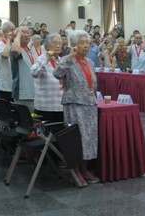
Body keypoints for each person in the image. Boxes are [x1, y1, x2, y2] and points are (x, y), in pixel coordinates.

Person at [53, 30, 99, 187]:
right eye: (82, 42)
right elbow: (57, 74)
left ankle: (85, 169)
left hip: (89, 104)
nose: (86, 45)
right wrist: (69, 57)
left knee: (88, 139)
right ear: (74, 45)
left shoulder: (90, 62)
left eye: (87, 42)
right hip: (74, 104)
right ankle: (76, 170)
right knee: (76, 138)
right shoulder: (67, 60)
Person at [30, 33, 64, 123]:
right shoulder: (42, 59)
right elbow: (34, 73)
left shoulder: (61, 60)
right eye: (55, 43)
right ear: (47, 45)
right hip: (45, 106)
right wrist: (47, 59)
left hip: (60, 106)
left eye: (60, 43)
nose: (58, 45)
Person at [11, 26, 36, 111]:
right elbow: (15, 50)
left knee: (33, 116)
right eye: (23, 32)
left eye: (27, 32)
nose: (26, 35)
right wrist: (18, 35)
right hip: (23, 92)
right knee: (25, 117)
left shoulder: (29, 50)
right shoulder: (17, 48)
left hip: (32, 91)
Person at [0, 21, 15, 101]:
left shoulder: (13, 44)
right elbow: (5, 55)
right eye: (11, 30)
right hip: (5, 84)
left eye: (14, 30)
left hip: (14, 83)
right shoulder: (0, 45)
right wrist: (8, 40)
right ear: (4, 32)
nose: (14, 33)